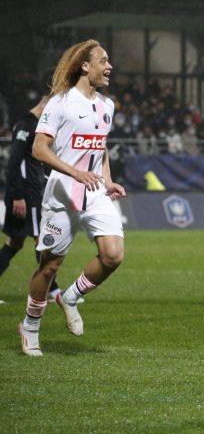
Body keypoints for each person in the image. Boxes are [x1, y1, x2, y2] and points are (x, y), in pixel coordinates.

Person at [18, 40, 127, 357]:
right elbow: (39, 149)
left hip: (94, 192)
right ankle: (30, 326)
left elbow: (100, 147)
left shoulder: (107, 106)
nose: (109, 67)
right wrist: (73, 172)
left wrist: (107, 181)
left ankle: (71, 296)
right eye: (103, 61)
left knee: (113, 255)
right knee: (49, 267)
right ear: (85, 65)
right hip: (63, 192)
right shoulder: (60, 103)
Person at [1, 97, 56, 301]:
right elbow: (14, 162)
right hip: (25, 195)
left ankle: (51, 289)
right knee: (41, 239)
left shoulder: (33, 125)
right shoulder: (26, 125)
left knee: (14, 242)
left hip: (28, 193)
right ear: (46, 105)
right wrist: (17, 196)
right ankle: (51, 290)